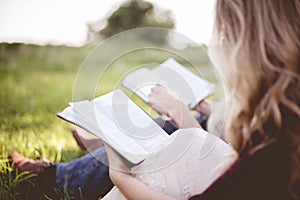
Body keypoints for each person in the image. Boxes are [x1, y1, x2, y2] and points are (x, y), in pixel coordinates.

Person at [104, 0, 300, 199]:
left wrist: (121, 178)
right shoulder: (282, 123)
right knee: (187, 138)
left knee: (178, 141)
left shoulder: (276, 143)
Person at [9, 96, 212, 200]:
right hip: (219, 136)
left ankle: (56, 177)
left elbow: (208, 147)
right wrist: (207, 108)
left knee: (155, 140)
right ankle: (101, 144)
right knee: (164, 125)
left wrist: (178, 109)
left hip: (215, 150)